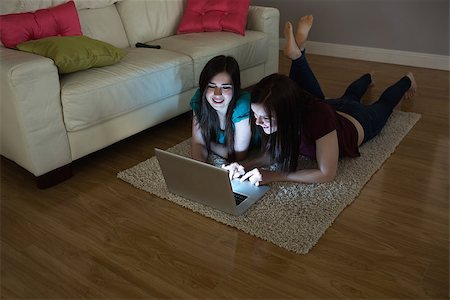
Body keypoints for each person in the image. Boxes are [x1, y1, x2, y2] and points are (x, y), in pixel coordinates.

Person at [224, 15, 417, 185]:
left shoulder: (317, 118)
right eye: (256, 115)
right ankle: (368, 76)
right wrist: (244, 165)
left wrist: (276, 175)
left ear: (285, 112)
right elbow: (272, 153)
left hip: (359, 120)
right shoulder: (285, 111)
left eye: (264, 118)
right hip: (333, 107)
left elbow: (326, 173)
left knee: (383, 105)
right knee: (349, 96)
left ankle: (407, 79)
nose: (257, 122)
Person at [190, 55, 256, 162]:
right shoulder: (199, 99)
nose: (217, 94)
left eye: (225, 87)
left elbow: (238, 156)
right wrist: (199, 166)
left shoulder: (242, 106)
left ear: (236, 88)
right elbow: (197, 144)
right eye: (211, 86)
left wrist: (207, 143)